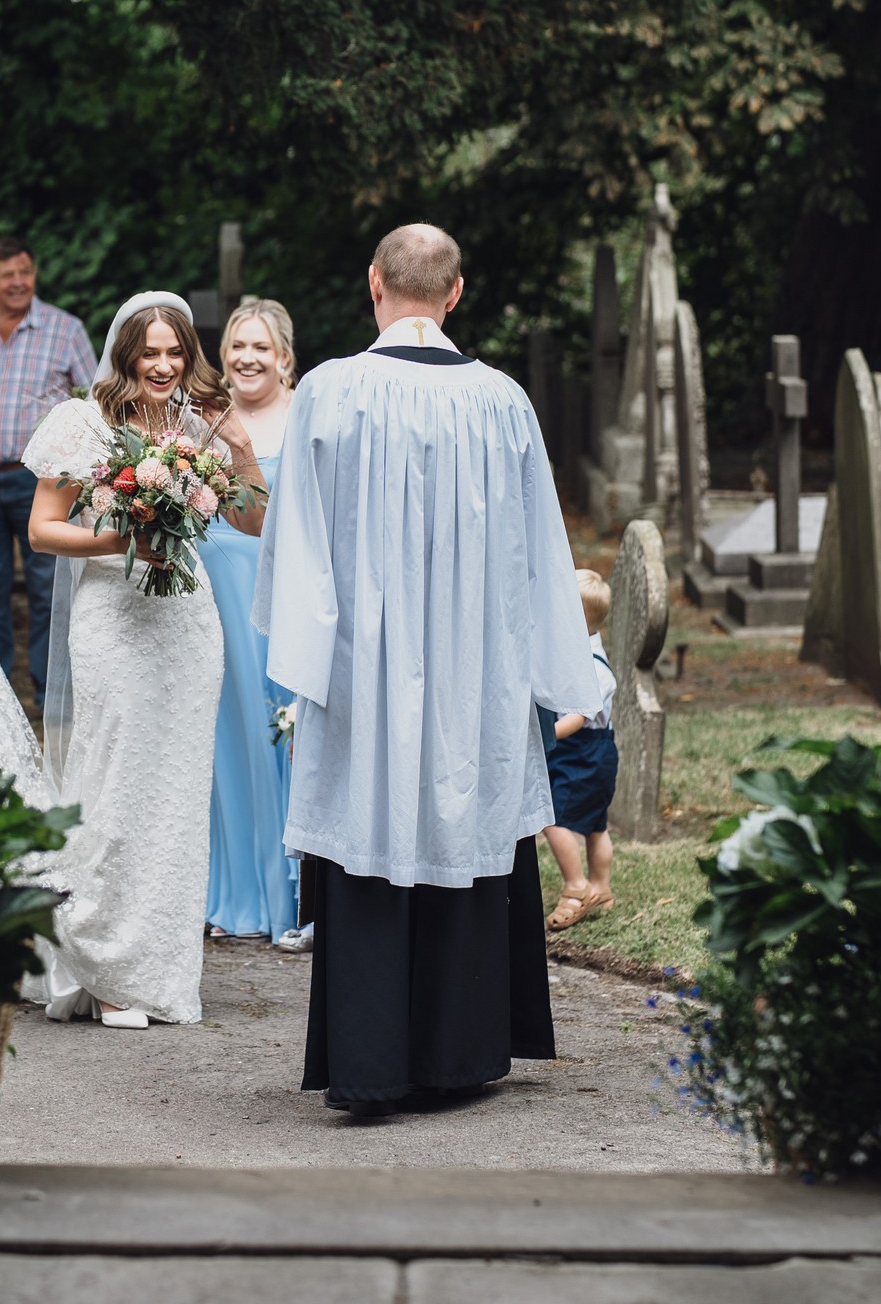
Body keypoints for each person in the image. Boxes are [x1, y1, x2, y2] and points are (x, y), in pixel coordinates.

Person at [254, 223, 598, 1112]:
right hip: (474, 665)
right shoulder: (504, 401)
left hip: (364, 663)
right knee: (465, 815)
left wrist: (301, 661)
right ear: (455, 293)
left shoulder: (328, 393)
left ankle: (370, 1062)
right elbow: (540, 552)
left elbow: (297, 544)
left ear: (374, 284)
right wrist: (563, 677)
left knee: (373, 823)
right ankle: (459, 1055)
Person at [18, 291, 261, 1029]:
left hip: (186, 625)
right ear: (125, 355)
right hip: (112, 622)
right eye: (148, 352)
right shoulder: (80, 422)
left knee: (178, 795)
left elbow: (253, 518)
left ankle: (162, 969)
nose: (162, 365)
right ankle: (105, 967)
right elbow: (41, 531)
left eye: (174, 352)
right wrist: (122, 541)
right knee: (117, 783)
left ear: (189, 357)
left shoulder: (196, 427)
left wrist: (241, 446)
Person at [0, 235, 96, 705]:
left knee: (50, 589)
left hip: (42, 482)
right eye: (7, 274)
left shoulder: (65, 329)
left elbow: (94, 399)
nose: (18, 282)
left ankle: (52, 695)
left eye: (24, 271)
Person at [206, 297, 300, 946]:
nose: (247, 357)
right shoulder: (202, 423)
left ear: (285, 358)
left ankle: (293, 897)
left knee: (284, 738)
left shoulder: (306, 418)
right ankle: (234, 894)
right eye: (238, 345)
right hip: (214, 595)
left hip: (280, 596)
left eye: (261, 347)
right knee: (229, 742)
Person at [542, 568, 619, 932]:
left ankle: (576, 887)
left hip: (582, 752)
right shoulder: (581, 653)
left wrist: (543, 736)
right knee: (595, 826)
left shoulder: (593, 668)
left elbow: (575, 717)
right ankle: (601, 889)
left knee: (554, 819)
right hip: (597, 751)